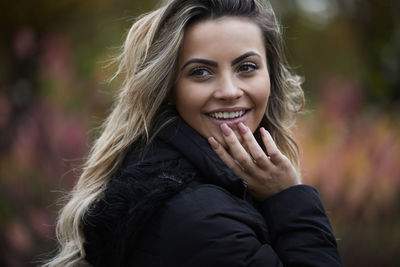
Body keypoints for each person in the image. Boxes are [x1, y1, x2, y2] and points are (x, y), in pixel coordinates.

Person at [45, 0, 344, 266]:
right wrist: (289, 199)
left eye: (247, 67)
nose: (229, 91)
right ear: (170, 90)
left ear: (271, 77)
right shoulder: (200, 218)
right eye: (201, 72)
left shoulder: (180, 181)